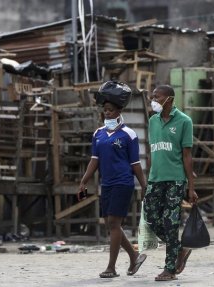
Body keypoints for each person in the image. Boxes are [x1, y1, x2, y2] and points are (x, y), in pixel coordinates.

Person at [79, 81, 147, 279]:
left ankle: (111, 267)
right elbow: (94, 160)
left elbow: (135, 163)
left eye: (110, 110)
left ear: (118, 111)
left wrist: (144, 185)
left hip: (123, 182)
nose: (107, 113)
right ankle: (134, 256)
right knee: (110, 224)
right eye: (105, 110)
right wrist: (84, 181)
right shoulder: (98, 134)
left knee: (115, 224)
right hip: (106, 183)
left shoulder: (129, 134)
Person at [144, 85, 198, 281]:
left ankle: (169, 269)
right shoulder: (152, 121)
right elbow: (152, 152)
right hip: (155, 179)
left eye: (157, 97)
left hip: (175, 180)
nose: (153, 100)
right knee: (150, 217)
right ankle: (180, 249)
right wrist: (147, 178)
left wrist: (190, 187)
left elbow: (187, 156)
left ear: (169, 99)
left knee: (170, 222)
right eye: (153, 97)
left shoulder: (184, 121)